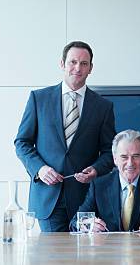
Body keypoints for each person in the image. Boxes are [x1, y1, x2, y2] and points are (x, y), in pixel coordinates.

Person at [15, 41, 116, 232]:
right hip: (48, 197)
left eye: (84, 63)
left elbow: (110, 152)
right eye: (73, 62)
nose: (78, 68)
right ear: (62, 64)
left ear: (91, 68)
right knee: (54, 259)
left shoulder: (103, 106)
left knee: (87, 259)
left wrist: (95, 170)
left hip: (86, 199)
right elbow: (22, 143)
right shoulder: (39, 99)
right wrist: (40, 169)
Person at [70, 129, 140, 232]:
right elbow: (75, 221)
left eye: (136, 156)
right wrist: (87, 224)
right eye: (124, 157)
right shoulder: (99, 186)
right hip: (109, 247)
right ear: (115, 159)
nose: (130, 163)